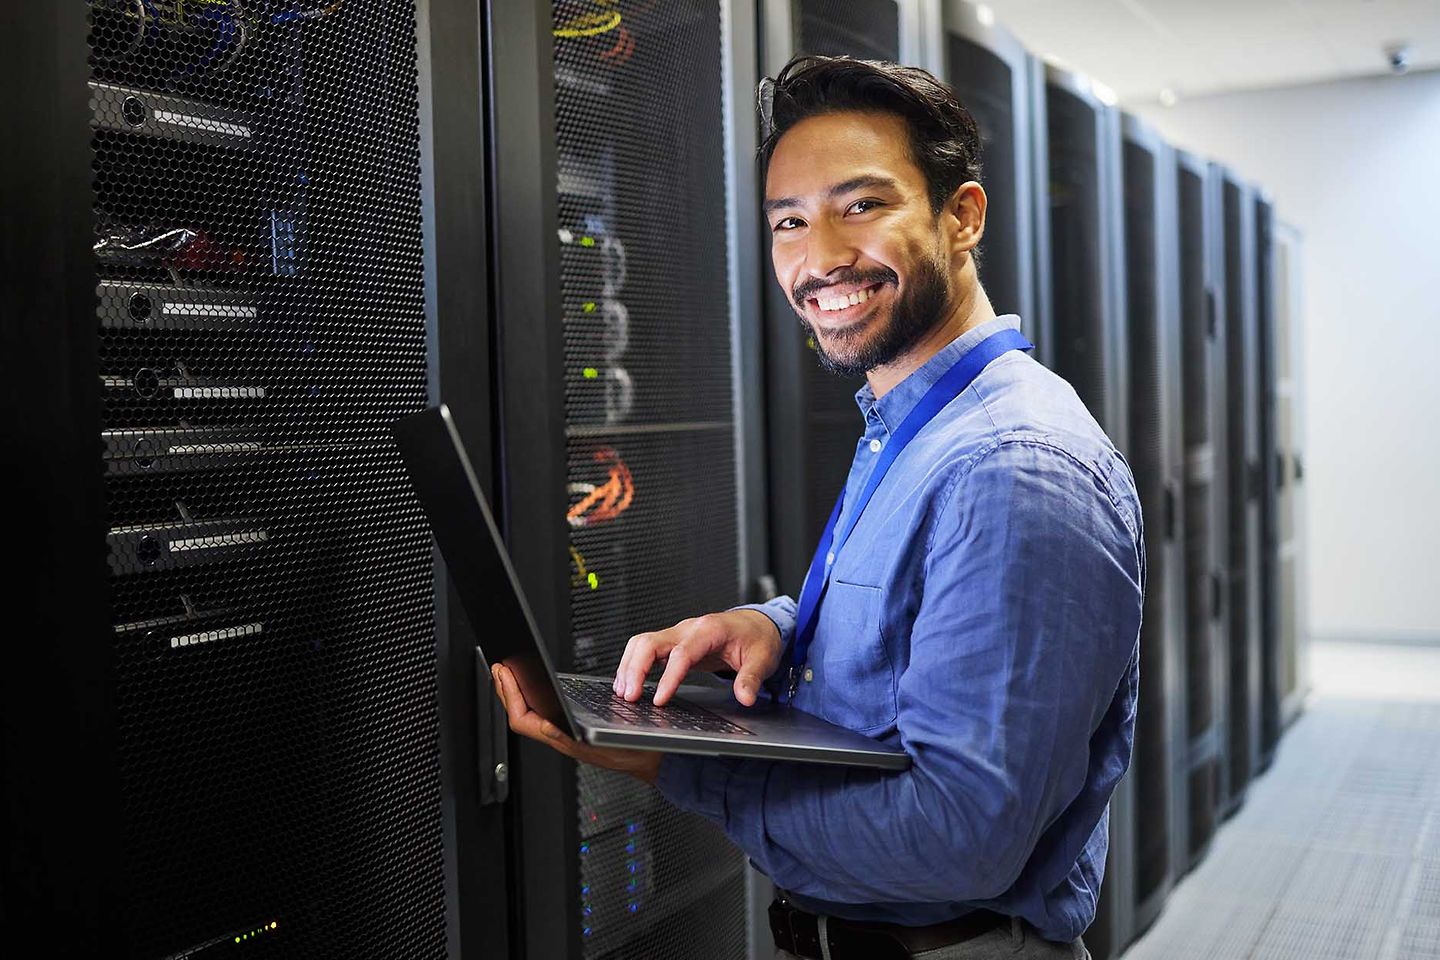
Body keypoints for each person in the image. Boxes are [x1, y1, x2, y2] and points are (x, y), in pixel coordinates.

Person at [490, 55, 1142, 960]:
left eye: (862, 206)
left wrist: (681, 765)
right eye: (789, 222)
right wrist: (771, 625)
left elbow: (962, 839)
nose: (820, 257)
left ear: (962, 217)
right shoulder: (915, 427)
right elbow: (923, 621)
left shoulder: (1011, 469)